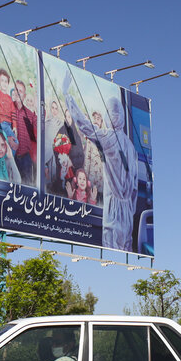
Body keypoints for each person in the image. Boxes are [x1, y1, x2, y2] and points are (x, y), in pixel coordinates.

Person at [62, 72, 139, 251]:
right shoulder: (131, 147)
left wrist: (67, 96)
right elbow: (134, 188)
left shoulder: (108, 138)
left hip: (114, 209)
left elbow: (83, 124)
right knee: (125, 252)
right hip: (127, 213)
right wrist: (129, 209)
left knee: (111, 255)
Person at [10, 80, 38, 184]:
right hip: (10, 157)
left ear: (24, 95)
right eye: (16, 90)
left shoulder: (30, 114)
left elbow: (39, 124)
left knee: (26, 189)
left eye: (20, 91)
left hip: (25, 159)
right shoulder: (9, 108)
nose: (17, 93)